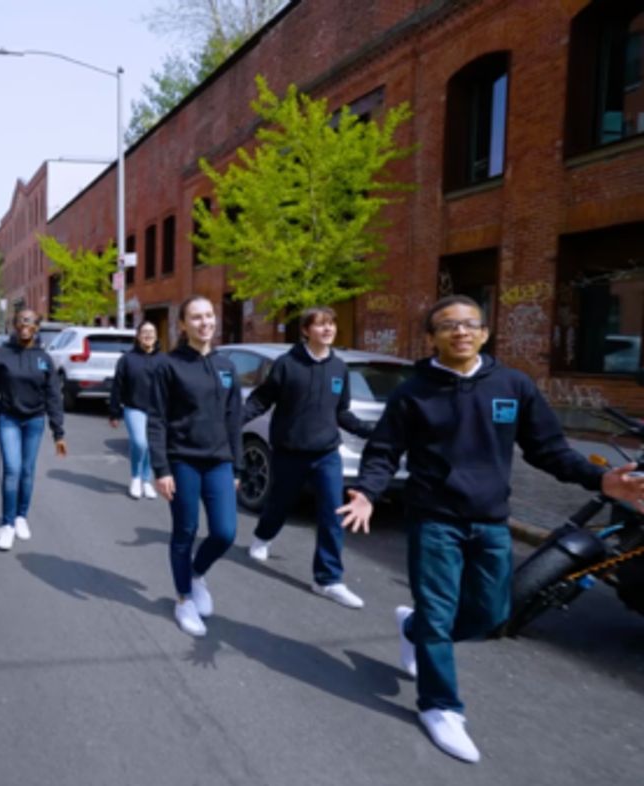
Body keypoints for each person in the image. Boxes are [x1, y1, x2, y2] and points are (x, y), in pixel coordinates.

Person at [337, 295, 644, 764]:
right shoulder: (414, 391)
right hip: (434, 518)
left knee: (489, 615)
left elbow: (548, 449)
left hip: (490, 520)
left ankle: (412, 628)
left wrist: (598, 478)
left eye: (469, 324)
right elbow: (383, 451)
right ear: (432, 337)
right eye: (448, 326)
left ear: (484, 332)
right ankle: (441, 707)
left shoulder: (512, 385)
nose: (460, 332)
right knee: (440, 613)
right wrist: (366, 492)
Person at [240, 307, 375, 609]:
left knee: (331, 513)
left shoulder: (339, 368)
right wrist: (234, 421)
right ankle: (263, 537)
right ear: (305, 330)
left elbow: (341, 412)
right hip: (289, 451)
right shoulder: (287, 365)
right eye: (321, 325)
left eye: (332, 324)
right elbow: (262, 399)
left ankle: (327, 580)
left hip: (327, 453)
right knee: (279, 503)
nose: (328, 330)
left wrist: (370, 432)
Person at [148, 295, 242, 638]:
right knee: (185, 531)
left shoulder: (226, 367)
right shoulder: (168, 366)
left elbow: (234, 420)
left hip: (219, 462)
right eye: (197, 317)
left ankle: (197, 573)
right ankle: (184, 598)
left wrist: (238, 468)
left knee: (224, 533)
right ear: (183, 325)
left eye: (209, 316)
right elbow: (156, 420)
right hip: (182, 460)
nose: (205, 323)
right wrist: (161, 469)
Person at [0, 308, 66, 551]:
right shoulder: (2, 355)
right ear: (14, 324)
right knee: (12, 469)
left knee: (28, 471)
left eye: (30, 322)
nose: (25, 325)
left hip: (34, 421)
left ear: (37, 327)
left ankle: (21, 516)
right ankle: (7, 524)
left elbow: (53, 395)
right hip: (8, 418)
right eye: (21, 320)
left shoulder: (44, 358)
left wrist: (58, 431)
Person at [109, 321, 165, 500]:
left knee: (150, 445)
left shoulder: (164, 360)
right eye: (144, 332)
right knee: (140, 443)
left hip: (158, 410)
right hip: (134, 408)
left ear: (156, 336)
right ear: (138, 336)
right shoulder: (127, 359)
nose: (148, 335)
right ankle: (136, 477)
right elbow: (117, 386)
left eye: (151, 332)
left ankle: (146, 481)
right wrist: (114, 412)